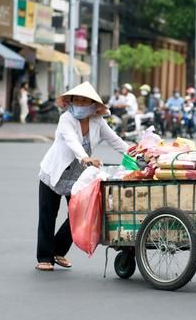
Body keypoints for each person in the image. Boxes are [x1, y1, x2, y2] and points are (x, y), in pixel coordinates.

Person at [36, 82, 128, 271]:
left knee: (78, 215)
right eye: (76, 100)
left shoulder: (98, 122)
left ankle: (58, 251)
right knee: (48, 216)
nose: (79, 104)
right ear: (70, 102)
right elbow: (71, 141)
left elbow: (116, 141)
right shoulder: (66, 119)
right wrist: (85, 158)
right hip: (54, 172)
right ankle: (44, 256)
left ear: (93, 105)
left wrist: (137, 154)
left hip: (78, 176)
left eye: (84, 101)